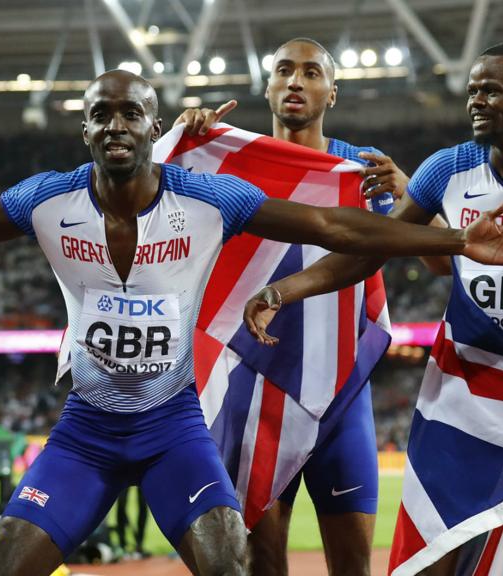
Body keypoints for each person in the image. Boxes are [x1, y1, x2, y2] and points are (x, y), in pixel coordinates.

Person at [0, 68, 503, 576]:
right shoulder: (48, 201)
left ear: (154, 126)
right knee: (5, 564)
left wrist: (453, 238)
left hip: (172, 430)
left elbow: (332, 225)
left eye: (129, 113)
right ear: (84, 130)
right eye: (100, 114)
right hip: (86, 432)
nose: (115, 124)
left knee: (231, 562)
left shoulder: (208, 199)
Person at [243, 41, 503, 576]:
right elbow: (367, 252)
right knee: (425, 566)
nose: (476, 101)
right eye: (472, 91)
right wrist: (284, 290)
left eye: (491, 90)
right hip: (465, 395)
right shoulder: (447, 170)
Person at [174, 37, 448, 576]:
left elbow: (441, 262)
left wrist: (410, 194)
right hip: (255, 393)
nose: (296, 81)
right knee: (264, 565)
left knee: (353, 568)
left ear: (332, 93)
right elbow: (149, 198)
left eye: (311, 73)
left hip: (342, 394)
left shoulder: (364, 169)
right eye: (284, 70)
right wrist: (184, 140)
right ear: (268, 86)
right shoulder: (229, 163)